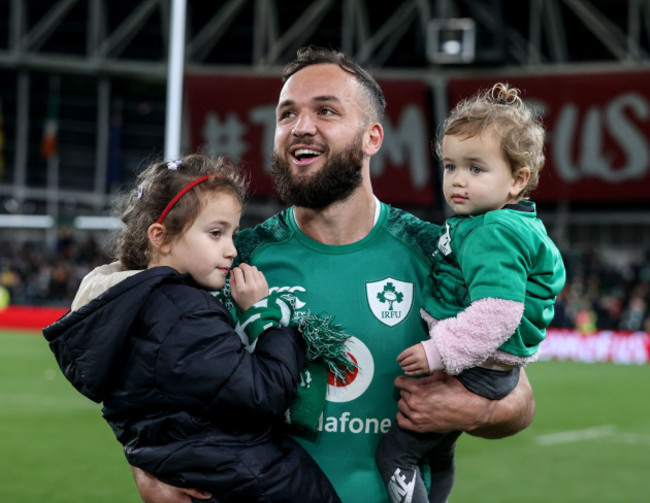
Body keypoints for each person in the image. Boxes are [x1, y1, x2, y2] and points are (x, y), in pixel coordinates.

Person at [130, 46, 537, 503]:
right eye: (287, 114)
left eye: (325, 110)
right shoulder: (232, 260)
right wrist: (147, 470)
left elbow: (518, 394)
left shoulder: (438, 252)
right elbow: (148, 380)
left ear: (372, 138)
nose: (301, 126)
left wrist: (476, 411)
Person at [42, 154, 341, 503]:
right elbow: (265, 394)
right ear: (161, 237)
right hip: (253, 483)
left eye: (233, 233)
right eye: (215, 233)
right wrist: (269, 320)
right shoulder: (183, 312)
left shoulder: (127, 306)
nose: (231, 250)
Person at [375, 82, 566, 503]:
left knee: (396, 457)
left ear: (518, 180)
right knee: (439, 453)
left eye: (476, 169)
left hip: (476, 368)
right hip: (494, 369)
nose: (458, 181)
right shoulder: (510, 224)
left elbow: (499, 312)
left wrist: (438, 350)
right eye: (450, 166)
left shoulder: (493, 230)